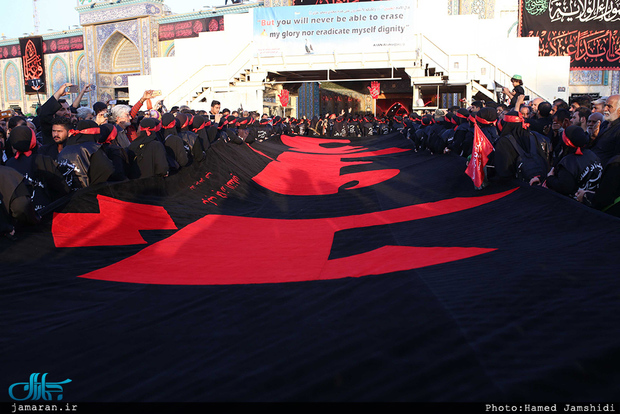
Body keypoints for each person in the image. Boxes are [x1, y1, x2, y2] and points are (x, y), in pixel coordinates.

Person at [544, 125, 602, 198]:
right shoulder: (591, 154)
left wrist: (550, 178)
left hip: (574, 203)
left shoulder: (568, 162)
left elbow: (564, 187)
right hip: (590, 198)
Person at [58, 120, 115, 188]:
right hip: (87, 193)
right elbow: (107, 169)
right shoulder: (92, 148)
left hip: (66, 193)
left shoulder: (65, 149)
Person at [591, 95, 620, 167]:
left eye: (609, 106)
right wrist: (593, 137)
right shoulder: (604, 124)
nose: (605, 109)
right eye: (605, 106)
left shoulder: (618, 129)